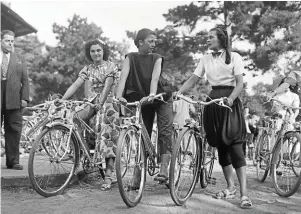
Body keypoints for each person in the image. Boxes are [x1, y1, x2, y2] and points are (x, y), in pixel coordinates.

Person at [176, 26, 252, 209]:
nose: (207, 40)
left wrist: (231, 99)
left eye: (211, 37)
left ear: (220, 39)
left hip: (229, 102)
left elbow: (240, 83)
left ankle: (244, 194)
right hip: (213, 102)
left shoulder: (234, 57)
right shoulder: (205, 58)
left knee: (235, 146)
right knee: (220, 146)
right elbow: (194, 78)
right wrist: (179, 92)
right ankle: (230, 187)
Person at [60, 39, 119, 191]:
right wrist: (62, 99)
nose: (96, 53)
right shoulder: (87, 69)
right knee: (74, 117)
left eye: (98, 50)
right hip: (93, 102)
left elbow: (107, 86)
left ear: (103, 51)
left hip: (109, 101)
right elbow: (75, 84)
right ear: (89, 53)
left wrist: (101, 102)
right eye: (92, 51)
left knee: (106, 130)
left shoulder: (111, 66)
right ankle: (82, 153)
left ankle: (109, 174)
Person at [115, 28, 173, 183]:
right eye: (150, 41)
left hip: (161, 97)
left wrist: (152, 95)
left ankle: (164, 169)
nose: (154, 44)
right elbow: (123, 78)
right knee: (142, 133)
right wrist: (119, 96)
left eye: (155, 41)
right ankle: (137, 176)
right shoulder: (130, 58)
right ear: (140, 42)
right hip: (143, 98)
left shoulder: (157, 58)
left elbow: (155, 79)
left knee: (165, 130)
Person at [1, 30, 29, 170]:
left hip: (14, 99)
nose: (10, 43)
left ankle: (13, 161)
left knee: (14, 129)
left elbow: (25, 80)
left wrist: (24, 98)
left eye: (12, 41)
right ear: (1, 41)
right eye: (7, 41)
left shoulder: (19, 58)